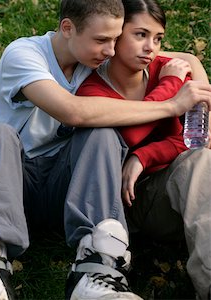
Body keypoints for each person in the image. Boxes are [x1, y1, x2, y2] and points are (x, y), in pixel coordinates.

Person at [0, 0, 211, 299]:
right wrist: (171, 104)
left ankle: (97, 268)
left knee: (103, 134)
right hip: (13, 183)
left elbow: (170, 56)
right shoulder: (24, 54)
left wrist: (188, 66)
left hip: (68, 185)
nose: (111, 51)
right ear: (68, 28)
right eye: (102, 40)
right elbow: (72, 111)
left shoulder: (92, 57)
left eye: (115, 40)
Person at [76, 0, 211, 298]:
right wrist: (172, 88)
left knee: (201, 160)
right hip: (123, 208)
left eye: (158, 38)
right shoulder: (91, 90)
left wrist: (143, 157)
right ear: (115, 36)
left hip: (180, 195)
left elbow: (197, 138)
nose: (151, 47)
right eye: (140, 35)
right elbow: (130, 134)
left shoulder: (167, 68)